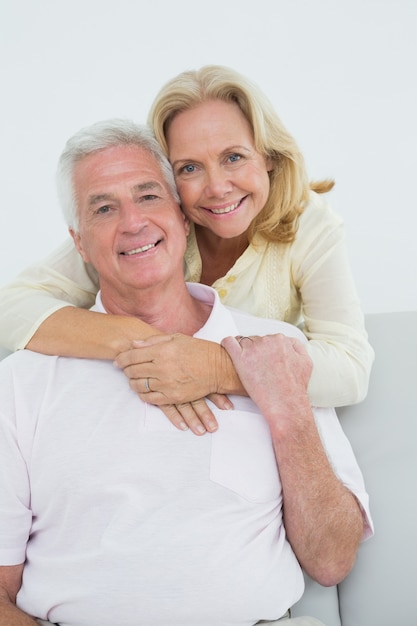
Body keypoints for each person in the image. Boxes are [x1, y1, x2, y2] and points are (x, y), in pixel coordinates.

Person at [0, 120, 372, 626]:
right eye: (104, 208)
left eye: (148, 195)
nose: (133, 222)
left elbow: (331, 560)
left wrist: (282, 407)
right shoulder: (23, 382)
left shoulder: (274, 353)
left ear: (181, 213)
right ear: (79, 244)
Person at [0, 65, 374, 436]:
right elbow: (11, 306)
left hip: (245, 427)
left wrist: (216, 367)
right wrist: (134, 337)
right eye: (190, 167)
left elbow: (350, 368)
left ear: (269, 154)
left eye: (233, 157)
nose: (217, 188)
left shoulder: (311, 225)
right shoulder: (147, 227)